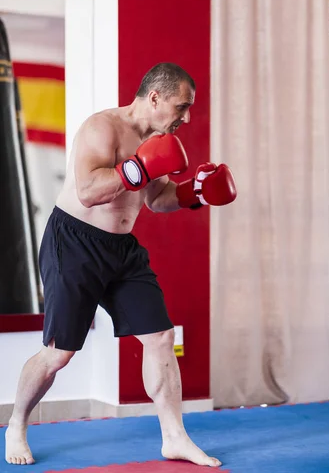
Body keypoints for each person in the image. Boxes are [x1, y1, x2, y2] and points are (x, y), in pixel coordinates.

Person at [5, 62, 237, 468]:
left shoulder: (157, 140)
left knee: (161, 338)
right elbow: (89, 190)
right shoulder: (103, 128)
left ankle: (174, 437)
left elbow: (156, 199)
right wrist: (139, 167)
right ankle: (17, 423)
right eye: (182, 107)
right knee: (58, 354)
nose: (186, 117)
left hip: (122, 250)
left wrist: (195, 193)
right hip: (73, 242)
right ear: (155, 97)